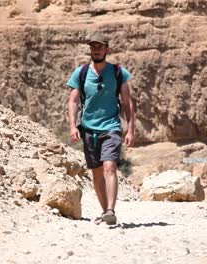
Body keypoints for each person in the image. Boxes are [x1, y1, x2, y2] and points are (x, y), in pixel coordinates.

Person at [67, 33, 135, 225]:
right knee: (96, 173)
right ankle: (105, 211)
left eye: (100, 46)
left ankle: (111, 209)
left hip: (111, 127)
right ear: (90, 49)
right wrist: (73, 126)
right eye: (93, 46)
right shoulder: (80, 73)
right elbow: (73, 101)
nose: (96, 49)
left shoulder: (118, 72)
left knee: (109, 167)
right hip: (89, 130)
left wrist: (130, 129)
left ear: (107, 49)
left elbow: (128, 103)